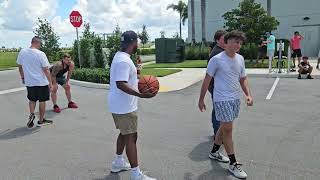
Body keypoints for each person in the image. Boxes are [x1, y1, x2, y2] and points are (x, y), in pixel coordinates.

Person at [198, 30, 253, 179]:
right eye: (236, 42)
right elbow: (207, 80)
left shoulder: (240, 59)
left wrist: (248, 94)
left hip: (235, 99)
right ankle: (233, 164)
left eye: (240, 43)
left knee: (223, 127)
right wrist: (201, 99)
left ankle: (214, 151)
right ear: (226, 42)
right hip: (221, 99)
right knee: (228, 130)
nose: (238, 45)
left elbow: (243, 79)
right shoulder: (216, 59)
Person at [108, 31, 157, 180]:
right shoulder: (123, 61)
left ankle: (118, 162)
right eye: (137, 42)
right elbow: (120, 84)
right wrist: (141, 95)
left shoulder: (121, 57)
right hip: (124, 107)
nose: (138, 45)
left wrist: (137, 74)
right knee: (131, 138)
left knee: (125, 134)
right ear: (133, 43)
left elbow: (126, 80)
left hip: (121, 105)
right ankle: (136, 175)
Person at [17, 36, 53, 127]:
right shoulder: (41, 54)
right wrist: (50, 83)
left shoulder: (22, 52)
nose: (40, 46)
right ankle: (41, 121)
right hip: (41, 82)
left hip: (29, 82)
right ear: (37, 43)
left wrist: (23, 78)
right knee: (42, 101)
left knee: (32, 100)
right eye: (40, 44)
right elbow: (46, 70)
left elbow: (20, 67)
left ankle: (32, 114)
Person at [208, 30, 226, 137]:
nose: (226, 41)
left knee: (218, 110)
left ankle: (219, 134)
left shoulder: (220, 51)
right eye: (224, 39)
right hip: (216, 87)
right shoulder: (217, 53)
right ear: (217, 40)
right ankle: (217, 134)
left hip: (218, 86)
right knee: (218, 111)